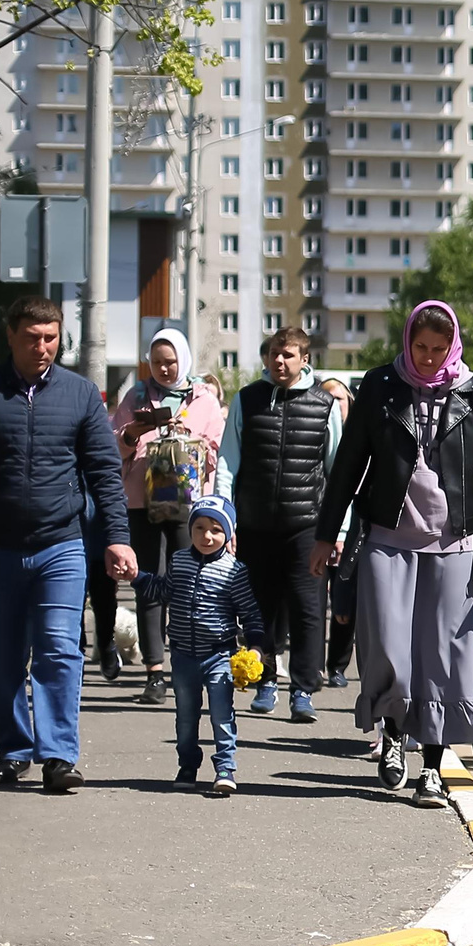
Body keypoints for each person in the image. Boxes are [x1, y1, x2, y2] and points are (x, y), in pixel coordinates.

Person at [0, 295, 136, 793]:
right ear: (11, 335)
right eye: (32, 338)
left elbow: (105, 473)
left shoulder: (81, 394)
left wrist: (116, 538)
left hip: (60, 544)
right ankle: (14, 750)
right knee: (1, 655)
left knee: (59, 649)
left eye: (51, 338)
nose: (43, 347)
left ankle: (58, 757)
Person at [315, 302, 473, 811]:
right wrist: (324, 533)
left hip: (454, 543)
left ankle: (433, 768)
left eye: (437, 349)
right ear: (407, 341)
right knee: (390, 648)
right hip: (387, 534)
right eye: (419, 347)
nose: (426, 358)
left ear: (453, 346)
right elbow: (348, 465)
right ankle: (395, 738)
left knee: (443, 656)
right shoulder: (379, 386)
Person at [218, 326, 338, 723]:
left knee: (308, 609)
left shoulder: (325, 405)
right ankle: (265, 679)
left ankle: (303, 689)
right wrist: (225, 516)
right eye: (273, 354)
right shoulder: (247, 399)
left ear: (305, 359)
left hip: (306, 525)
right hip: (254, 523)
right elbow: (227, 461)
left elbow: (337, 472)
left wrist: (336, 530)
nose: (279, 362)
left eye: (288, 355)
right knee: (258, 610)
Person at [108, 328, 227, 700]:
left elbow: (217, 449)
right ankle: (154, 672)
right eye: (156, 362)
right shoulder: (137, 396)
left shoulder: (203, 398)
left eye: (170, 361)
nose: (163, 368)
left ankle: (186, 668)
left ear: (183, 360)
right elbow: (114, 445)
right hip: (142, 503)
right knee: (149, 585)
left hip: (187, 505)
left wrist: (187, 437)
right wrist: (133, 434)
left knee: (188, 586)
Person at [130, 496, 265, 796]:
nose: (207, 536)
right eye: (200, 527)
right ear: (190, 529)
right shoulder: (179, 561)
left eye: (216, 530)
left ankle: (225, 767)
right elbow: (162, 592)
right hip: (182, 655)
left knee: (221, 714)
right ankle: (188, 765)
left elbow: (250, 612)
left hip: (219, 655)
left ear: (228, 534)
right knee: (186, 715)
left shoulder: (234, 570)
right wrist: (136, 577)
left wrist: (256, 648)